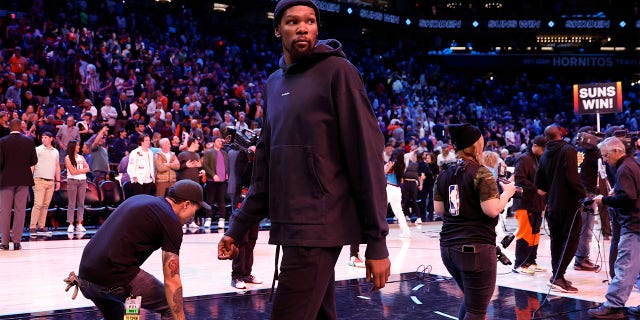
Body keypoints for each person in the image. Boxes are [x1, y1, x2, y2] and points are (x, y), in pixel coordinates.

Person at [218, 1, 391, 318]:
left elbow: (366, 157)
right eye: (292, 21)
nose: (302, 27)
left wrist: (376, 241)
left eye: (310, 21)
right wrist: (238, 227)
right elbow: (266, 169)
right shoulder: (273, 83)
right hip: (291, 226)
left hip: (320, 225)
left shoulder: (339, 72)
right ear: (276, 29)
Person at [77, 179, 210, 320]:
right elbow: (172, 280)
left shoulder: (141, 199)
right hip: (115, 278)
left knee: (120, 313)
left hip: (85, 278)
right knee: (171, 305)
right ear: (187, 204)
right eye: (196, 209)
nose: (193, 216)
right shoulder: (170, 221)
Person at [434, 123, 516, 320]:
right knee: (477, 310)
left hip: (448, 248)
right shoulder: (481, 172)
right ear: (476, 145)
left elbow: (439, 210)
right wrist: (508, 194)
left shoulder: (444, 172)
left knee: (472, 303)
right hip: (475, 248)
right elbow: (492, 210)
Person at [589, 137, 640, 319]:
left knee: (624, 266)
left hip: (633, 224)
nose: (604, 159)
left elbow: (628, 198)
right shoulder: (633, 164)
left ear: (616, 151)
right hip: (638, 222)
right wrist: (617, 191)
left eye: (605, 155)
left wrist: (605, 199)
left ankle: (613, 305)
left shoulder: (624, 168)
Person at [535, 124, 586, 293]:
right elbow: (572, 177)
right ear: (561, 134)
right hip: (569, 205)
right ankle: (558, 275)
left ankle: (558, 276)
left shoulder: (543, 156)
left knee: (556, 241)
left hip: (552, 205)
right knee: (571, 240)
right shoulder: (568, 150)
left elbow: (540, 186)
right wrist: (584, 195)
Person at [0, 119, 38, 250]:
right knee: (20, 211)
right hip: (23, 179)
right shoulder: (28, 141)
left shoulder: (3, 141)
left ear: (10, 128)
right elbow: (34, 160)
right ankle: (17, 242)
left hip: (6, 180)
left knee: (5, 211)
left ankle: (4, 243)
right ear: (20, 127)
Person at [512, 135, 547, 275]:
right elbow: (519, 179)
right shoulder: (524, 158)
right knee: (525, 233)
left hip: (537, 203)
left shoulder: (539, 159)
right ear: (535, 146)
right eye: (543, 149)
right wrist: (536, 188)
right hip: (524, 202)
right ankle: (519, 263)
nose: (544, 152)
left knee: (535, 233)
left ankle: (531, 261)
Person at [30, 131, 61, 234]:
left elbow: (57, 167)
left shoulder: (55, 151)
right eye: (42, 137)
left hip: (50, 181)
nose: (43, 139)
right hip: (39, 179)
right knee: (38, 204)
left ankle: (41, 225)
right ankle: (32, 226)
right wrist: (30, 177)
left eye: (46, 137)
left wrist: (58, 181)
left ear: (51, 139)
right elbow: (32, 165)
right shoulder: (37, 149)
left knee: (45, 205)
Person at [385, 148, 412, 238]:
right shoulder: (402, 165)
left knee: (380, 211)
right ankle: (406, 232)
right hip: (397, 190)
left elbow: (382, 173)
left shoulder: (390, 164)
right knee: (399, 212)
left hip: (388, 188)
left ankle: (378, 232)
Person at [202, 137, 228, 228]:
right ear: (214, 143)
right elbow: (205, 165)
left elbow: (226, 165)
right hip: (211, 180)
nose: (220, 142)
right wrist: (213, 175)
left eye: (221, 141)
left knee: (222, 200)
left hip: (223, 180)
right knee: (210, 200)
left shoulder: (224, 153)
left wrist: (227, 173)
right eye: (218, 141)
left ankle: (222, 219)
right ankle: (208, 219)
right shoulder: (209, 152)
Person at [65, 140, 90, 233]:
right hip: (72, 181)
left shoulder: (81, 157)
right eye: (77, 145)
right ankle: (70, 224)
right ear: (73, 147)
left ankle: (79, 223)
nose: (79, 147)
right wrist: (82, 170)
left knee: (81, 203)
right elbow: (72, 172)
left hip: (82, 181)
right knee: (71, 203)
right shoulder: (67, 158)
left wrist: (78, 171)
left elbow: (88, 168)